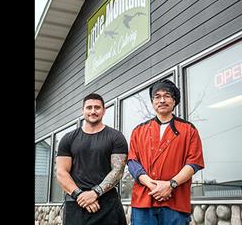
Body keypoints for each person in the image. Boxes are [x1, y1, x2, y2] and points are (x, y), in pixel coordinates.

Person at [127, 79, 205, 225]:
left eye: (167, 96)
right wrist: (151, 185)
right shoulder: (138, 130)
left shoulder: (189, 129)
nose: (162, 100)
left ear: (174, 100)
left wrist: (171, 184)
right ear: (152, 102)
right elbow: (132, 162)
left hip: (175, 202)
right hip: (143, 201)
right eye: (157, 96)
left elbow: (194, 162)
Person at [56, 93, 128, 225]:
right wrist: (80, 196)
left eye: (97, 107)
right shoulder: (68, 138)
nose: (93, 111)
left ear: (104, 110)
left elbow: (118, 171)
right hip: (76, 204)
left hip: (107, 205)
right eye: (89, 108)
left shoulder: (116, 137)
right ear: (82, 110)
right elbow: (61, 172)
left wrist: (95, 193)